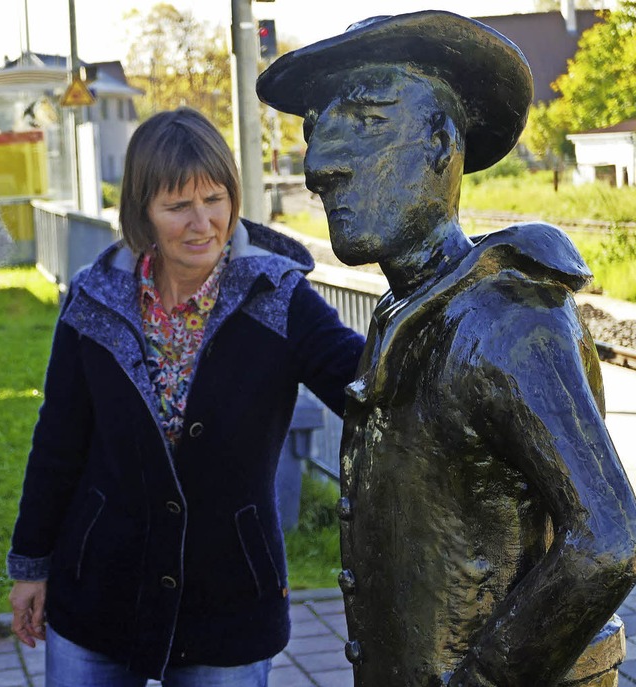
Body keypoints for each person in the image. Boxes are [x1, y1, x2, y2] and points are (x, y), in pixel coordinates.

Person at [257, 11, 636, 687]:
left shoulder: (507, 317)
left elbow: (609, 539)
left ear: (441, 142)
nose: (319, 166)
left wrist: (486, 679)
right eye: (315, 130)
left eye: (366, 121)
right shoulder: (406, 308)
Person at [7, 107, 365, 686]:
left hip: (227, 598)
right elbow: (58, 444)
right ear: (143, 213)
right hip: (98, 589)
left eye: (215, 198)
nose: (203, 223)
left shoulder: (277, 296)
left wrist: (433, 327)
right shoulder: (95, 301)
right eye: (178, 206)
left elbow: (365, 387)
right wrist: (30, 567)